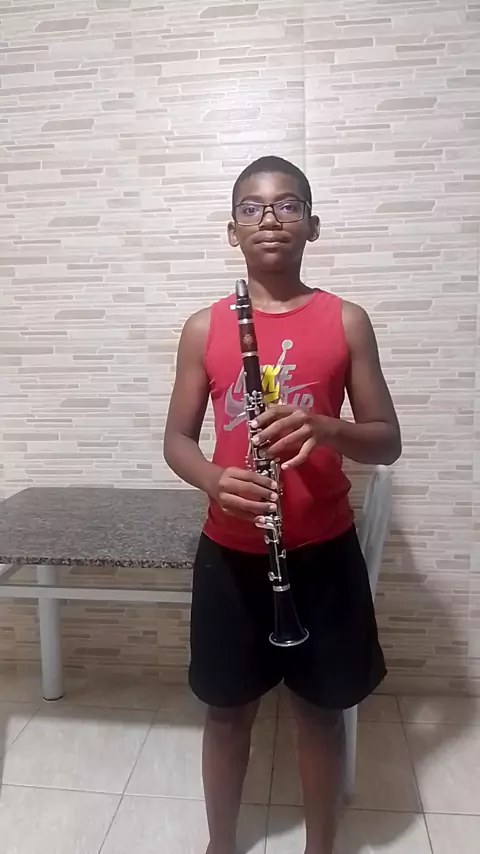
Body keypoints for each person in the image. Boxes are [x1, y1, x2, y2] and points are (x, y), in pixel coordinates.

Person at [163, 155, 401, 854]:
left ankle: (321, 846)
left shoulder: (346, 320)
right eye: (252, 207)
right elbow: (177, 440)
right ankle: (221, 844)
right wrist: (212, 479)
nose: (269, 218)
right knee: (226, 713)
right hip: (232, 553)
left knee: (320, 715)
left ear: (312, 225)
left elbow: (386, 442)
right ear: (231, 230)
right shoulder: (205, 328)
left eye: (288, 204)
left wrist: (328, 428)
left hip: (323, 553)